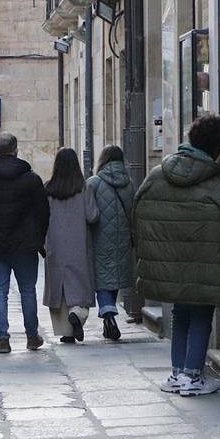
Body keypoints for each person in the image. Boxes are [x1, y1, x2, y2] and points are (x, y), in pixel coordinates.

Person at [135, 115, 220, 397]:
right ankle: (193, 376)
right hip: (205, 263)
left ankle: (178, 372)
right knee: (202, 314)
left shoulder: (157, 175)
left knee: (180, 313)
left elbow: (138, 216)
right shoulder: (218, 183)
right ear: (217, 148)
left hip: (170, 262)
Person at [0, 133, 49, 354]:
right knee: (27, 290)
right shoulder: (31, 179)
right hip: (25, 244)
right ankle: (32, 336)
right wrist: (39, 237)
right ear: (16, 150)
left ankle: (3, 338)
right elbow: (43, 212)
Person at [43, 148, 99, 344]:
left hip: (55, 245)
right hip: (79, 244)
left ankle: (66, 332)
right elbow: (92, 216)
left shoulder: (48, 188)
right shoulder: (84, 188)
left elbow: (41, 218)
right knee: (79, 286)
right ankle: (77, 313)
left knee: (59, 288)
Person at [86, 145, 137, 341]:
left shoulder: (94, 183)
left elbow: (89, 213)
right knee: (114, 276)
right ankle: (110, 311)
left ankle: (108, 314)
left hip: (99, 237)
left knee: (102, 278)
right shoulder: (130, 183)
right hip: (123, 238)